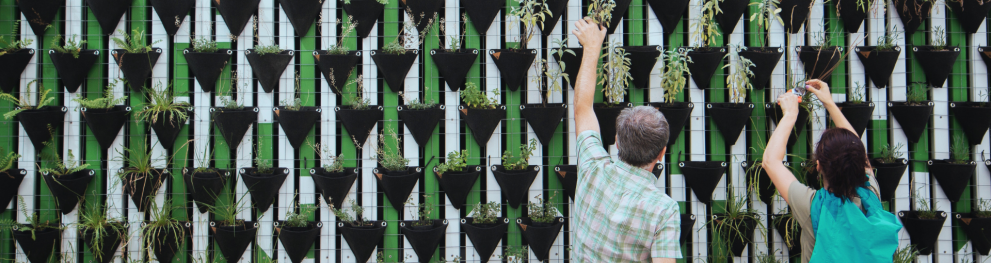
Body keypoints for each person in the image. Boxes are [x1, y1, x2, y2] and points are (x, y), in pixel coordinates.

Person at [571, 17, 681, 262]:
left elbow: (582, 109)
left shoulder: (592, 168)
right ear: (662, 153)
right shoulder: (664, 210)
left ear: (617, 141)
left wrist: (591, 48)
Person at [762, 79, 902, 262]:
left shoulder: (814, 207)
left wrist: (790, 114)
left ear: (818, 165)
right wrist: (829, 102)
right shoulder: (870, 195)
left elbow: (770, 161)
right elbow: (859, 153)